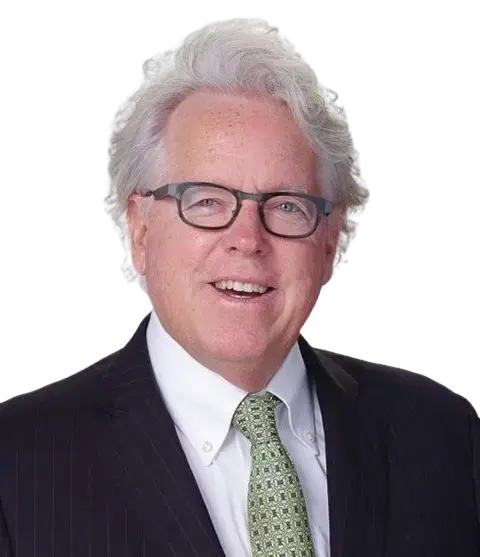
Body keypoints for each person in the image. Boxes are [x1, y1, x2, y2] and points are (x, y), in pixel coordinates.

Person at [0, 16, 478, 557]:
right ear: (140, 227)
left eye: (287, 206)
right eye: (206, 200)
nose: (248, 240)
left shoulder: (442, 435)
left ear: (329, 241)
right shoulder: (17, 467)